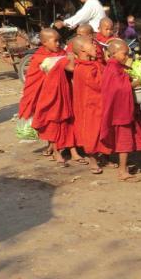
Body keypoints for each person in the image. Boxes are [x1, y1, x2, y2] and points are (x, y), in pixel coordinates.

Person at [100, 39, 141, 182]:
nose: (127, 56)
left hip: (121, 109)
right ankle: (122, 171)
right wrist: (135, 83)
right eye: (124, 54)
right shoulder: (113, 68)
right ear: (113, 54)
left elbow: (121, 81)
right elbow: (118, 88)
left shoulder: (117, 66)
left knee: (125, 139)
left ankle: (124, 167)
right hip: (120, 112)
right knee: (123, 140)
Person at [32, 32, 80, 167]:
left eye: (59, 41)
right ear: (44, 42)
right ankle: (56, 151)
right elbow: (35, 79)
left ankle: (73, 150)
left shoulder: (63, 53)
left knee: (69, 119)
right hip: (50, 94)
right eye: (55, 41)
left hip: (65, 92)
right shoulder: (39, 57)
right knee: (53, 121)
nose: (58, 44)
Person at [72, 36, 111, 175]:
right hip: (89, 107)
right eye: (91, 44)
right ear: (82, 49)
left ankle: (106, 156)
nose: (95, 46)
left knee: (103, 130)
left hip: (99, 104)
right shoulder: (83, 68)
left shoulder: (93, 64)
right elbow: (100, 84)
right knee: (91, 132)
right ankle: (92, 160)